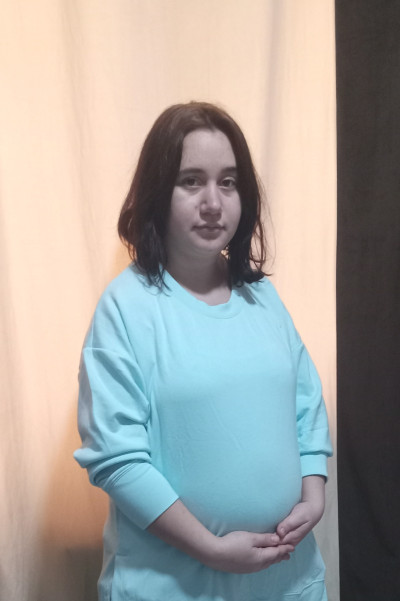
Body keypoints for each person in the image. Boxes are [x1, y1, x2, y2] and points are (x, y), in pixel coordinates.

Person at [74, 101, 333, 601]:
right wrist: (211, 549)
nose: (213, 202)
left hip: (288, 581)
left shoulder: (263, 298)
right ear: (156, 192)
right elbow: (117, 460)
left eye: (228, 182)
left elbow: (307, 408)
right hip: (174, 587)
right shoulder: (125, 308)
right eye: (191, 181)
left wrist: (314, 495)